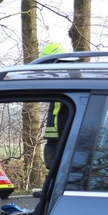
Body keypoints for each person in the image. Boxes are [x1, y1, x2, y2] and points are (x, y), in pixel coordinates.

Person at [39, 42, 70, 171]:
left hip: (60, 135)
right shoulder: (62, 79)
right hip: (56, 136)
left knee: (55, 165)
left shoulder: (66, 80)